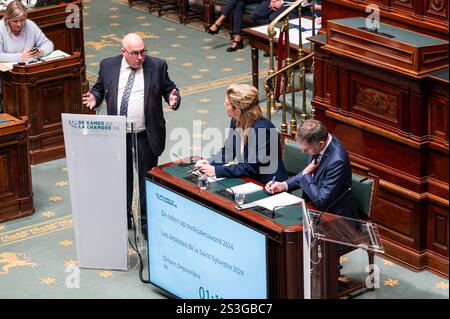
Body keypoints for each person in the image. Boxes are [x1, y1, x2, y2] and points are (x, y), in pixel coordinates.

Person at [82, 33, 181, 239]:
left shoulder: (158, 65)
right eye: (135, 53)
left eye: (143, 51)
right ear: (123, 52)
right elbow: (100, 88)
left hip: (146, 134)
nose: (140, 57)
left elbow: (169, 88)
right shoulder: (108, 65)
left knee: (146, 180)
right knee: (121, 179)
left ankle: (146, 224)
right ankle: (124, 217)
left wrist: (174, 97)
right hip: (118, 135)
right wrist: (95, 97)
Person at [265, 119, 358, 219]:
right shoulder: (320, 140)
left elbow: (322, 202)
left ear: (321, 144)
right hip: (312, 208)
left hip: (335, 217)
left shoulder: (337, 161)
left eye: (306, 149)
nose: (303, 151)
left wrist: (306, 175)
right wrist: (284, 185)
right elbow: (308, 172)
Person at [195, 83, 287, 184]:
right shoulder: (236, 120)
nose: (224, 105)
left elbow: (251, 168)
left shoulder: (262, 130)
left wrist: (216, 171)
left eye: (227, 104)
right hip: (249, 179)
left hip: (269, 184)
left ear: (238, 110)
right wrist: (210, 162)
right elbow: (229, 151)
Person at [251, 0, 321, 26]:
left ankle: (274, 41)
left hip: (292, 3)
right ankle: (271, 36)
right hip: (276, 1)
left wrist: (282, 2)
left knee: (273, 17)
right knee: (256, 15)